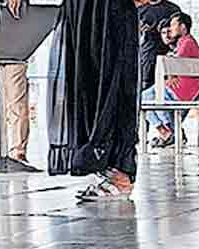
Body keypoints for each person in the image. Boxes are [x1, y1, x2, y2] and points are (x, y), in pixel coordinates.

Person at [47, 0, 139, 200]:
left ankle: (121, 171)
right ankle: (104, 164)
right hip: (82, 9)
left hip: (108, 8)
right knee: (86, 85)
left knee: (114, 82)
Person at [140, 12, 199, 148]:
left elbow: (171, 63)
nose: (171, 28)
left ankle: (168, 132)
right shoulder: (186, 42)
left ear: (183, 27)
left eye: (174, 25)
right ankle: (169, 132)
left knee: (145, 97)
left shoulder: (186, 42)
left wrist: (170, 75)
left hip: (183, 89)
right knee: (149, 96)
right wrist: (170, 75)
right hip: (188, 88)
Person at [136, 0, 183, 92]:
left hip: (168, 63)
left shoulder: (173, 9)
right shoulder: (140, 10)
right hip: (145, 60)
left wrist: (173, 72)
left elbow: (180, 38)